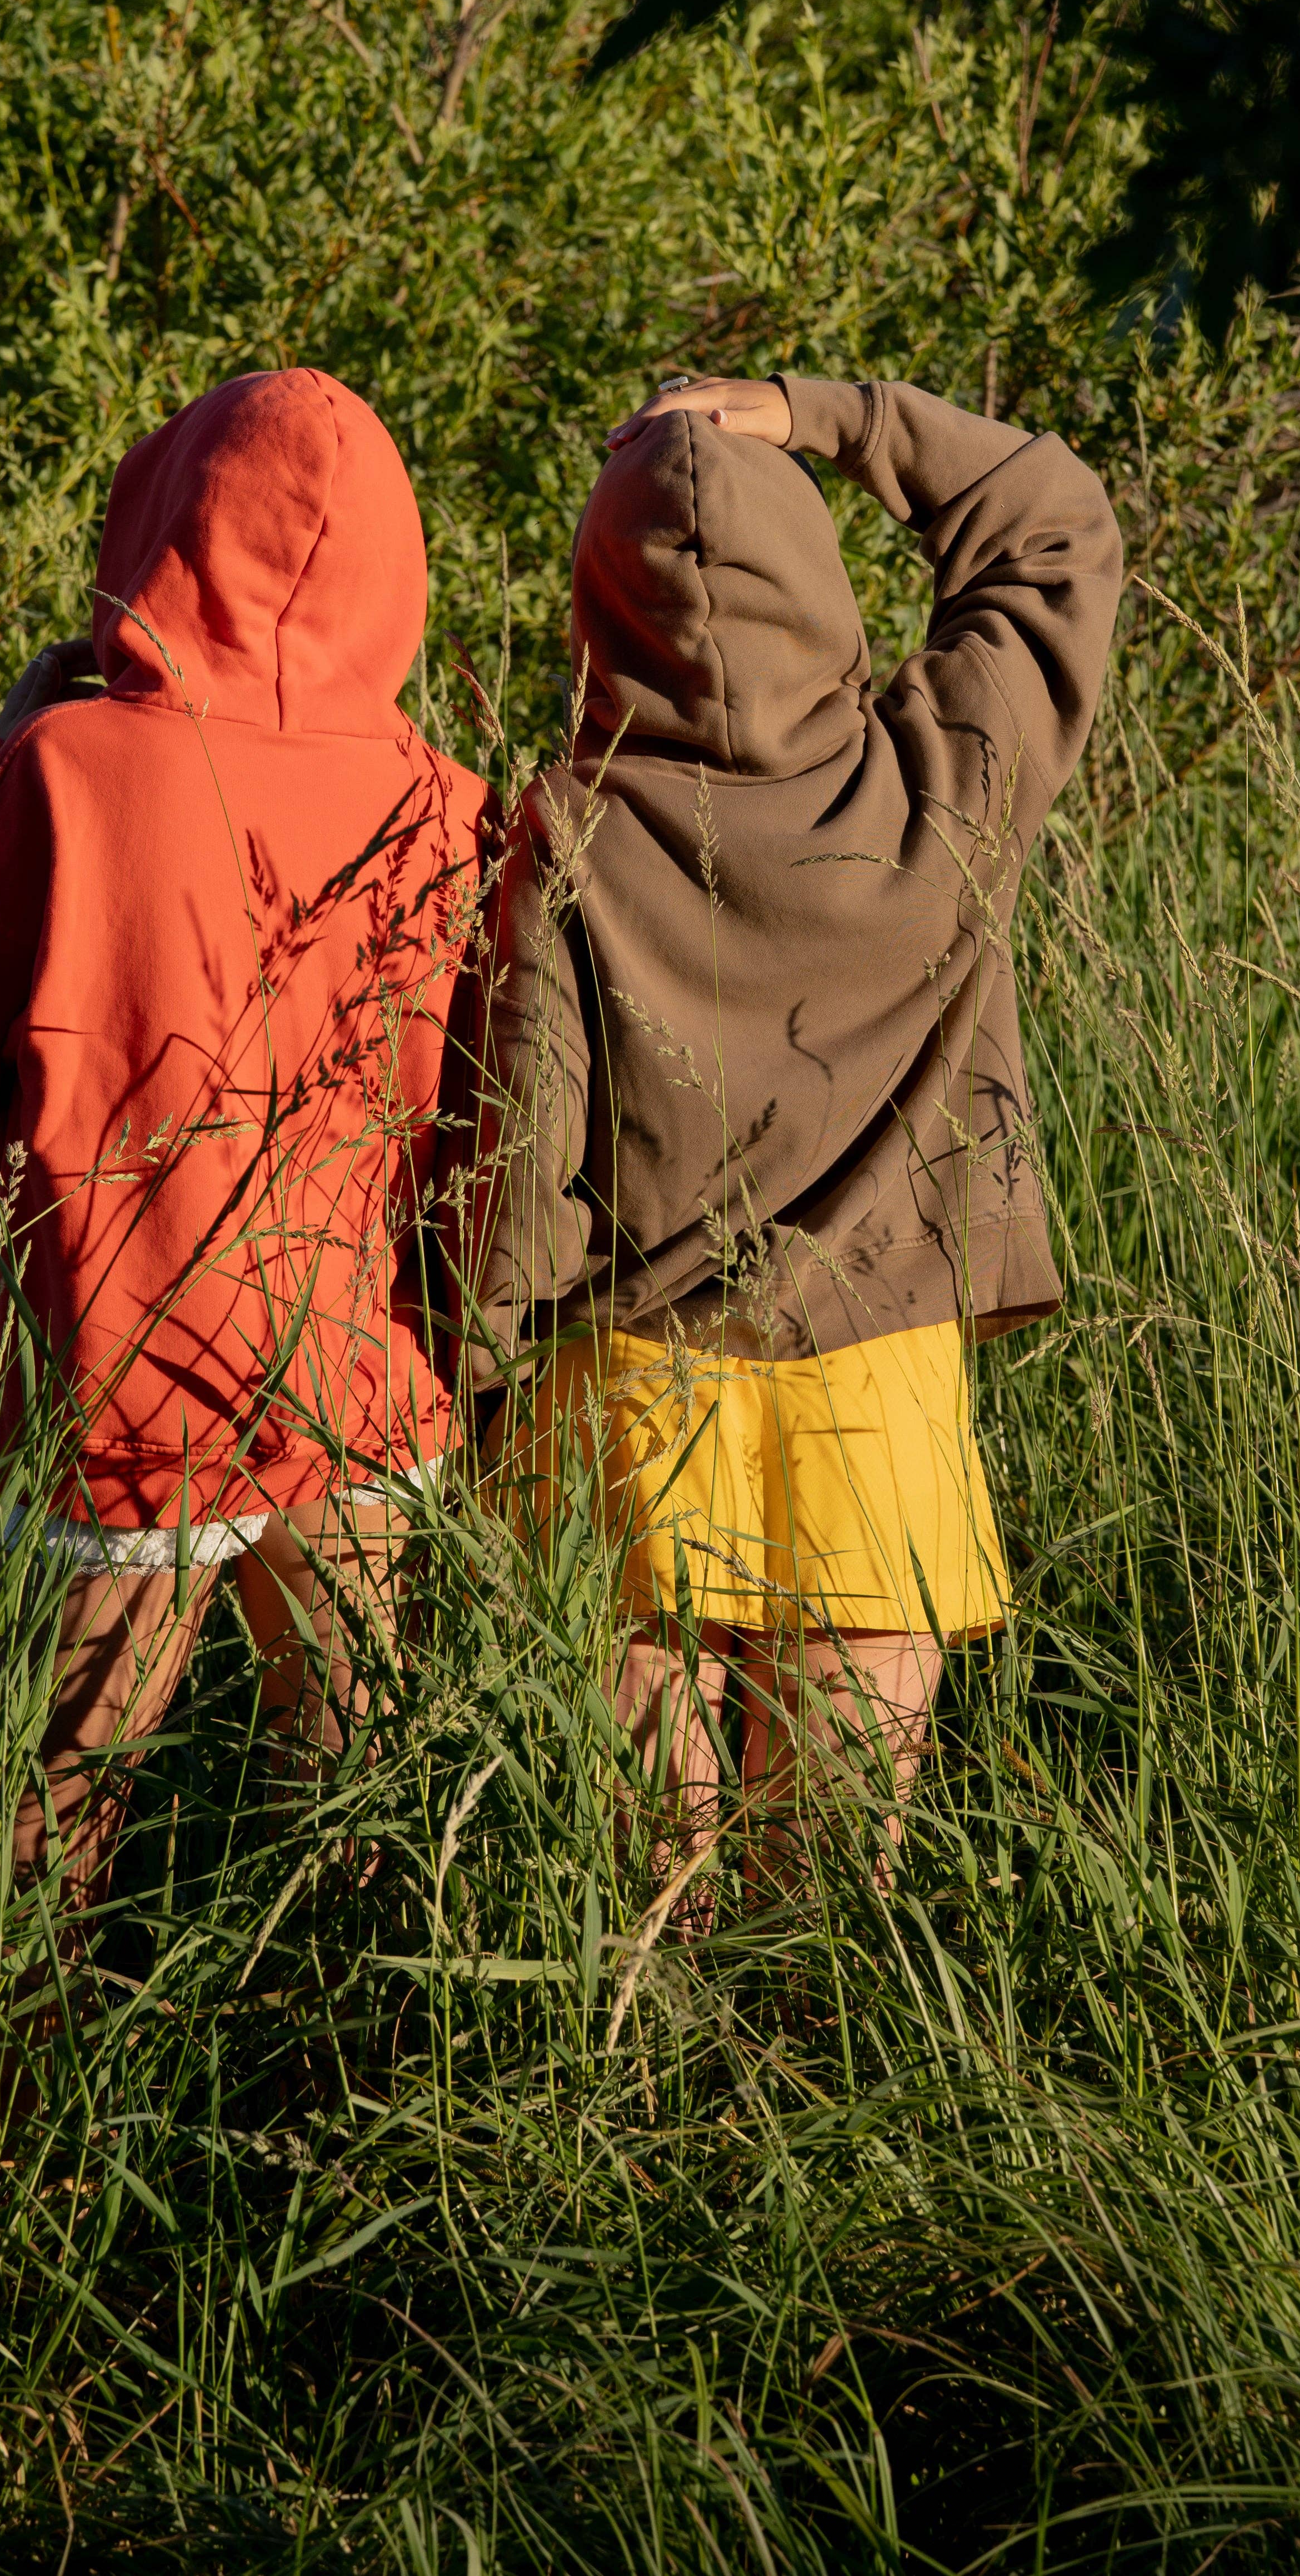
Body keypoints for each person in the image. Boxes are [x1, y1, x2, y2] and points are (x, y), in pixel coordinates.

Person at [447, 368, 1122, 1883]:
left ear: (596, 610)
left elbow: (524, 1159)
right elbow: (1055, 524)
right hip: (878, 1392)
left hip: (628, 1399)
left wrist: (471, 1382)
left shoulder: (566, 830)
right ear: (817, 585)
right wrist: (830, 417)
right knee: (828, 1895)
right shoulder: (945, 776)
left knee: (643, 1892)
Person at [0, 366, 491, 1921]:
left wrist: (6, 749)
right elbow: (471, 1111)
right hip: (357, 1369)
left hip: (123, 1376)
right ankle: (328, 2053)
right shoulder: (446, 804)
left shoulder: (67, 768)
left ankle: (27, 2066)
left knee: (54, 1806)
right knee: (351, 1796)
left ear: (168, 524)